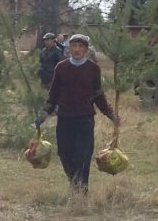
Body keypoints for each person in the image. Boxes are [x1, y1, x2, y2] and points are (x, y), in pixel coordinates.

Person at [35, 33, 120, 193]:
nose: (77, 49)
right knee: (64, 153)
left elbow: (98, 95)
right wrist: (44, 113)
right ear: (69, 48)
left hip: (85, 119)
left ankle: (82, 190)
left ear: (86, 49)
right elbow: (53, 95)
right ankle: (74, 181)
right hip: (65, 118)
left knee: (83, 156)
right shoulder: (61, 68)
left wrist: (110, 114)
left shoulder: (93, 69)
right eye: (74, 46)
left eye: (80, 46)